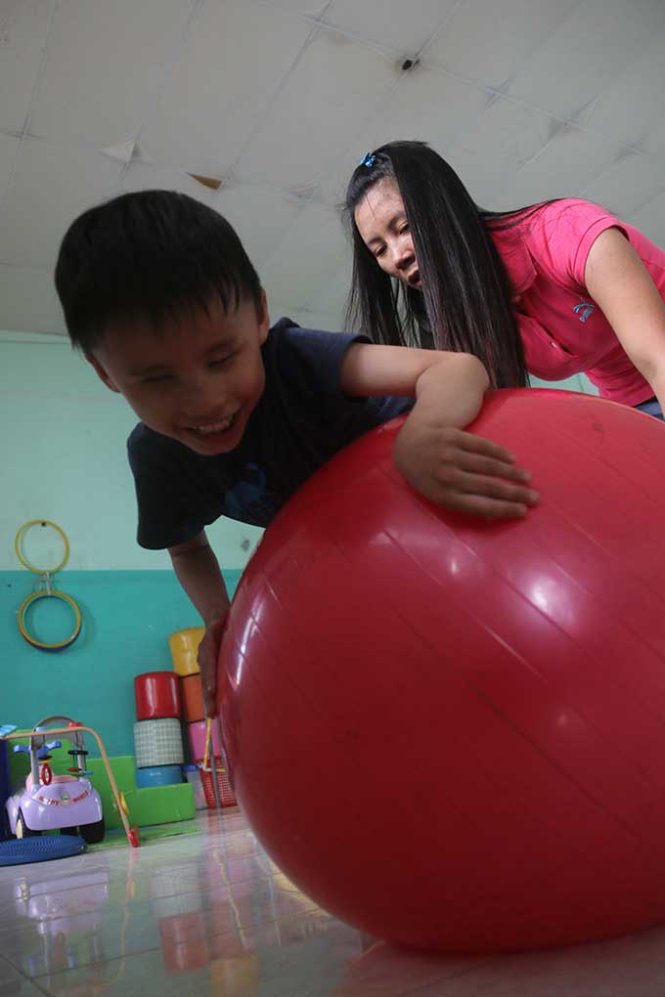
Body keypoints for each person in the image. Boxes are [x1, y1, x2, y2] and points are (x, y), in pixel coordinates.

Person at [54, 190, 537, 714]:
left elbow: (455, 369)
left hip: (442, 509)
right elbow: (187, 549)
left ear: (260, 317)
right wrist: (221, 618)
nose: (206, 400)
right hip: (366, 556)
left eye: (222, 359)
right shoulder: (159, 459)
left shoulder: (296, 359)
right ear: (108, 375)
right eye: (157, 379)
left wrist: (425, 433)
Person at [344, 141, 665, 419]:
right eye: (380, 250)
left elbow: (657, 358)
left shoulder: (566, 231)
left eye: (403, 228)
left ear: (444, 210)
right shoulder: (467, 321)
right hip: (631, 403)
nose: (397, 257)